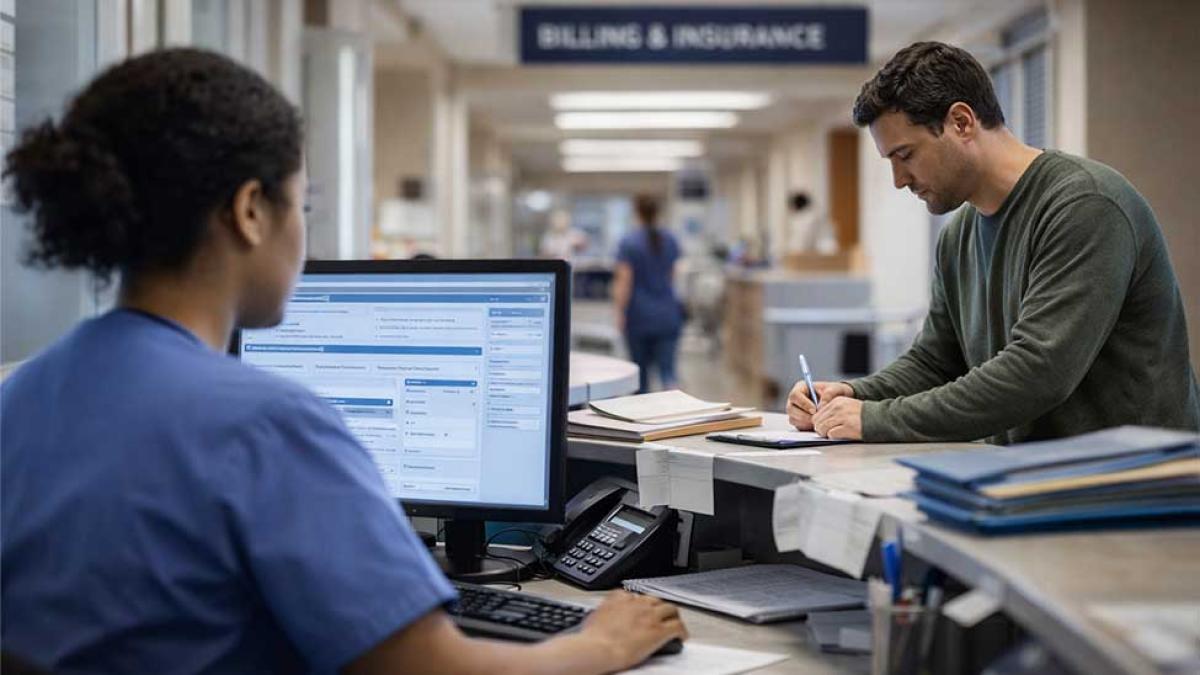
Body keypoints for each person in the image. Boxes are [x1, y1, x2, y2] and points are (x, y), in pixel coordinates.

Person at [0, 49, 686, 674]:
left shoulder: (22, 393)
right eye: (301, 203)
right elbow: (429, 670)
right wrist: (598, 644)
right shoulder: (265, 422)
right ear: (249, 210)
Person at [788, 41, 1200, 444]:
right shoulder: (959, 234)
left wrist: (875, 419)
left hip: (1134, 488)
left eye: (906, 155)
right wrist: (852, 396)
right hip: (1030, 480)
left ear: (962, 122)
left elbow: (1038, 372)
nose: (899, 180)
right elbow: (935, 363)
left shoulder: (1085, 205)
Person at [613, 194, 684, 393]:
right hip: (668, 315)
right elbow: (671, 277)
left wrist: (619, 313)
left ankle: (643, 419)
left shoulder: (628, 242)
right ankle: (677, 413)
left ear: (637, 213)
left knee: (640, 377)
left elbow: (624, 282)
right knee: (669, 373)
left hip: (639, 316)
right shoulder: (670, 239)